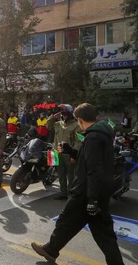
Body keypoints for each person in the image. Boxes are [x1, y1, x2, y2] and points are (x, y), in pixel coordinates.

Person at [31, 103, 124, 265]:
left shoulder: (93, 137)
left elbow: (94, 169)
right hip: (95, 191)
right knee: (100, 233)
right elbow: (88, 160)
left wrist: (93, 199)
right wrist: (70, 150)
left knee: (66, 221)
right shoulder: (100, 134)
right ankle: (51, 250)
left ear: (79, 120)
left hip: (86, 192)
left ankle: (51, 249)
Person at [53, 104, 82, 200]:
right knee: (61, 175)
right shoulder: (58, 124)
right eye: (62, 113)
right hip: (57, 153)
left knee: (71, 175)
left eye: (65, 113)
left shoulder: (76, 125)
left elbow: (79, 141)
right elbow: (48, 126)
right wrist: (53, 117)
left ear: (70, 114)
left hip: (68, 155)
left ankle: (72, 195)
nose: (63, 115)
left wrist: (74, 155)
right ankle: (63, 193)